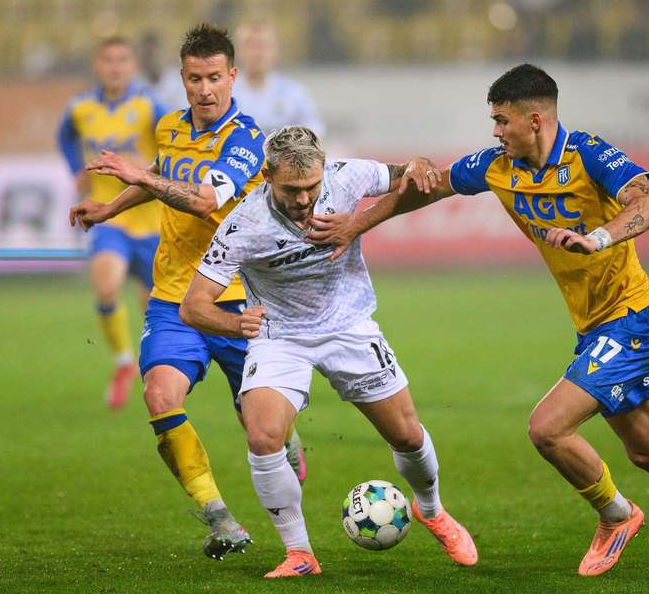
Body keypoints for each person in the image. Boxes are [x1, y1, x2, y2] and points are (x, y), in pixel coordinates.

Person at [308, 64, 649, 576]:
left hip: (634, 319)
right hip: (595, 327)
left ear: (534, 119)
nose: (495, 131)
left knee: (548, 429)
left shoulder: (587, 154)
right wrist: (356, 224)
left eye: (501, 120)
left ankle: (617, 515)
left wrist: (596, 238)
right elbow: (426, 188)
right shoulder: (495, 166)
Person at [180, 126, 478, 578]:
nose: (304, 199)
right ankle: (299, 553)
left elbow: (411, 175)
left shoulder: (346, 177)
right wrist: (235, 324)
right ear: (267, 176)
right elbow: (193, 307)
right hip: (281, 338)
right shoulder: (243, 225)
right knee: (263, 438)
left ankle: (432, 510)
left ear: (324, 172)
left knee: (407, 435)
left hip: (349, 326)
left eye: (311, 187)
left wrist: (413, 167)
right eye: (292, 190)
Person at [69, 24, 305, 562]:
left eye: (214, 77)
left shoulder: (247, 139)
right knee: (159, 396)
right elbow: (162, 172)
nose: (205, 89)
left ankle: (285, 440)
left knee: (261, 429)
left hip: (240, 297)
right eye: (195, 78)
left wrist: (141, 178)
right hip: (175, 298)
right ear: (182, 78)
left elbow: (202, 200)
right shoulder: (170, 127)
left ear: (232, 76)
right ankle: (219, 517)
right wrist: (110, 207)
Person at [58, 36, 166, 410]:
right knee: (105, 287)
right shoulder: (80, 107)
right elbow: (65, 137)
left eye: (122, 59)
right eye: (108, 60)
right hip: (108, 217)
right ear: (97, 65)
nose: (115, 67)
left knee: (153, 309)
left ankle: (153, 369)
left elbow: (172, 147)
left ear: (133, 66)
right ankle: (123, 361)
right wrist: (76, 169)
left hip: (152, 222)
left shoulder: (150, 105)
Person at [232, 22, 324, 135]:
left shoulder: (294, 93)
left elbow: (314, 130)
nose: (257, 53)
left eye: (263, 46)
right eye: (250, 46)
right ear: (237, 51)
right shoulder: (226, 93)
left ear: (275, 51)